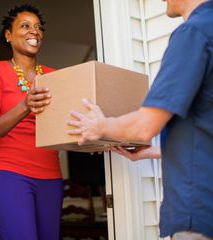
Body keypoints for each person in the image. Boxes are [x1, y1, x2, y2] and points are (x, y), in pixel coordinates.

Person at [67, 0, 213, 239]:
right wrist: (152, 152)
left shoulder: (193, 33)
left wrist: (101, 125)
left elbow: (146, 125)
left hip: (199, 212)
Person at [0, 4, 63, 240]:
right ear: (8, 34)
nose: (33, 32)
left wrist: (95, 141)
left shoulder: (54, 76)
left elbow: (66, 126)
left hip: (51, 176)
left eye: (38, 28)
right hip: (8, 174)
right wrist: (25, 105)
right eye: (25, 26)